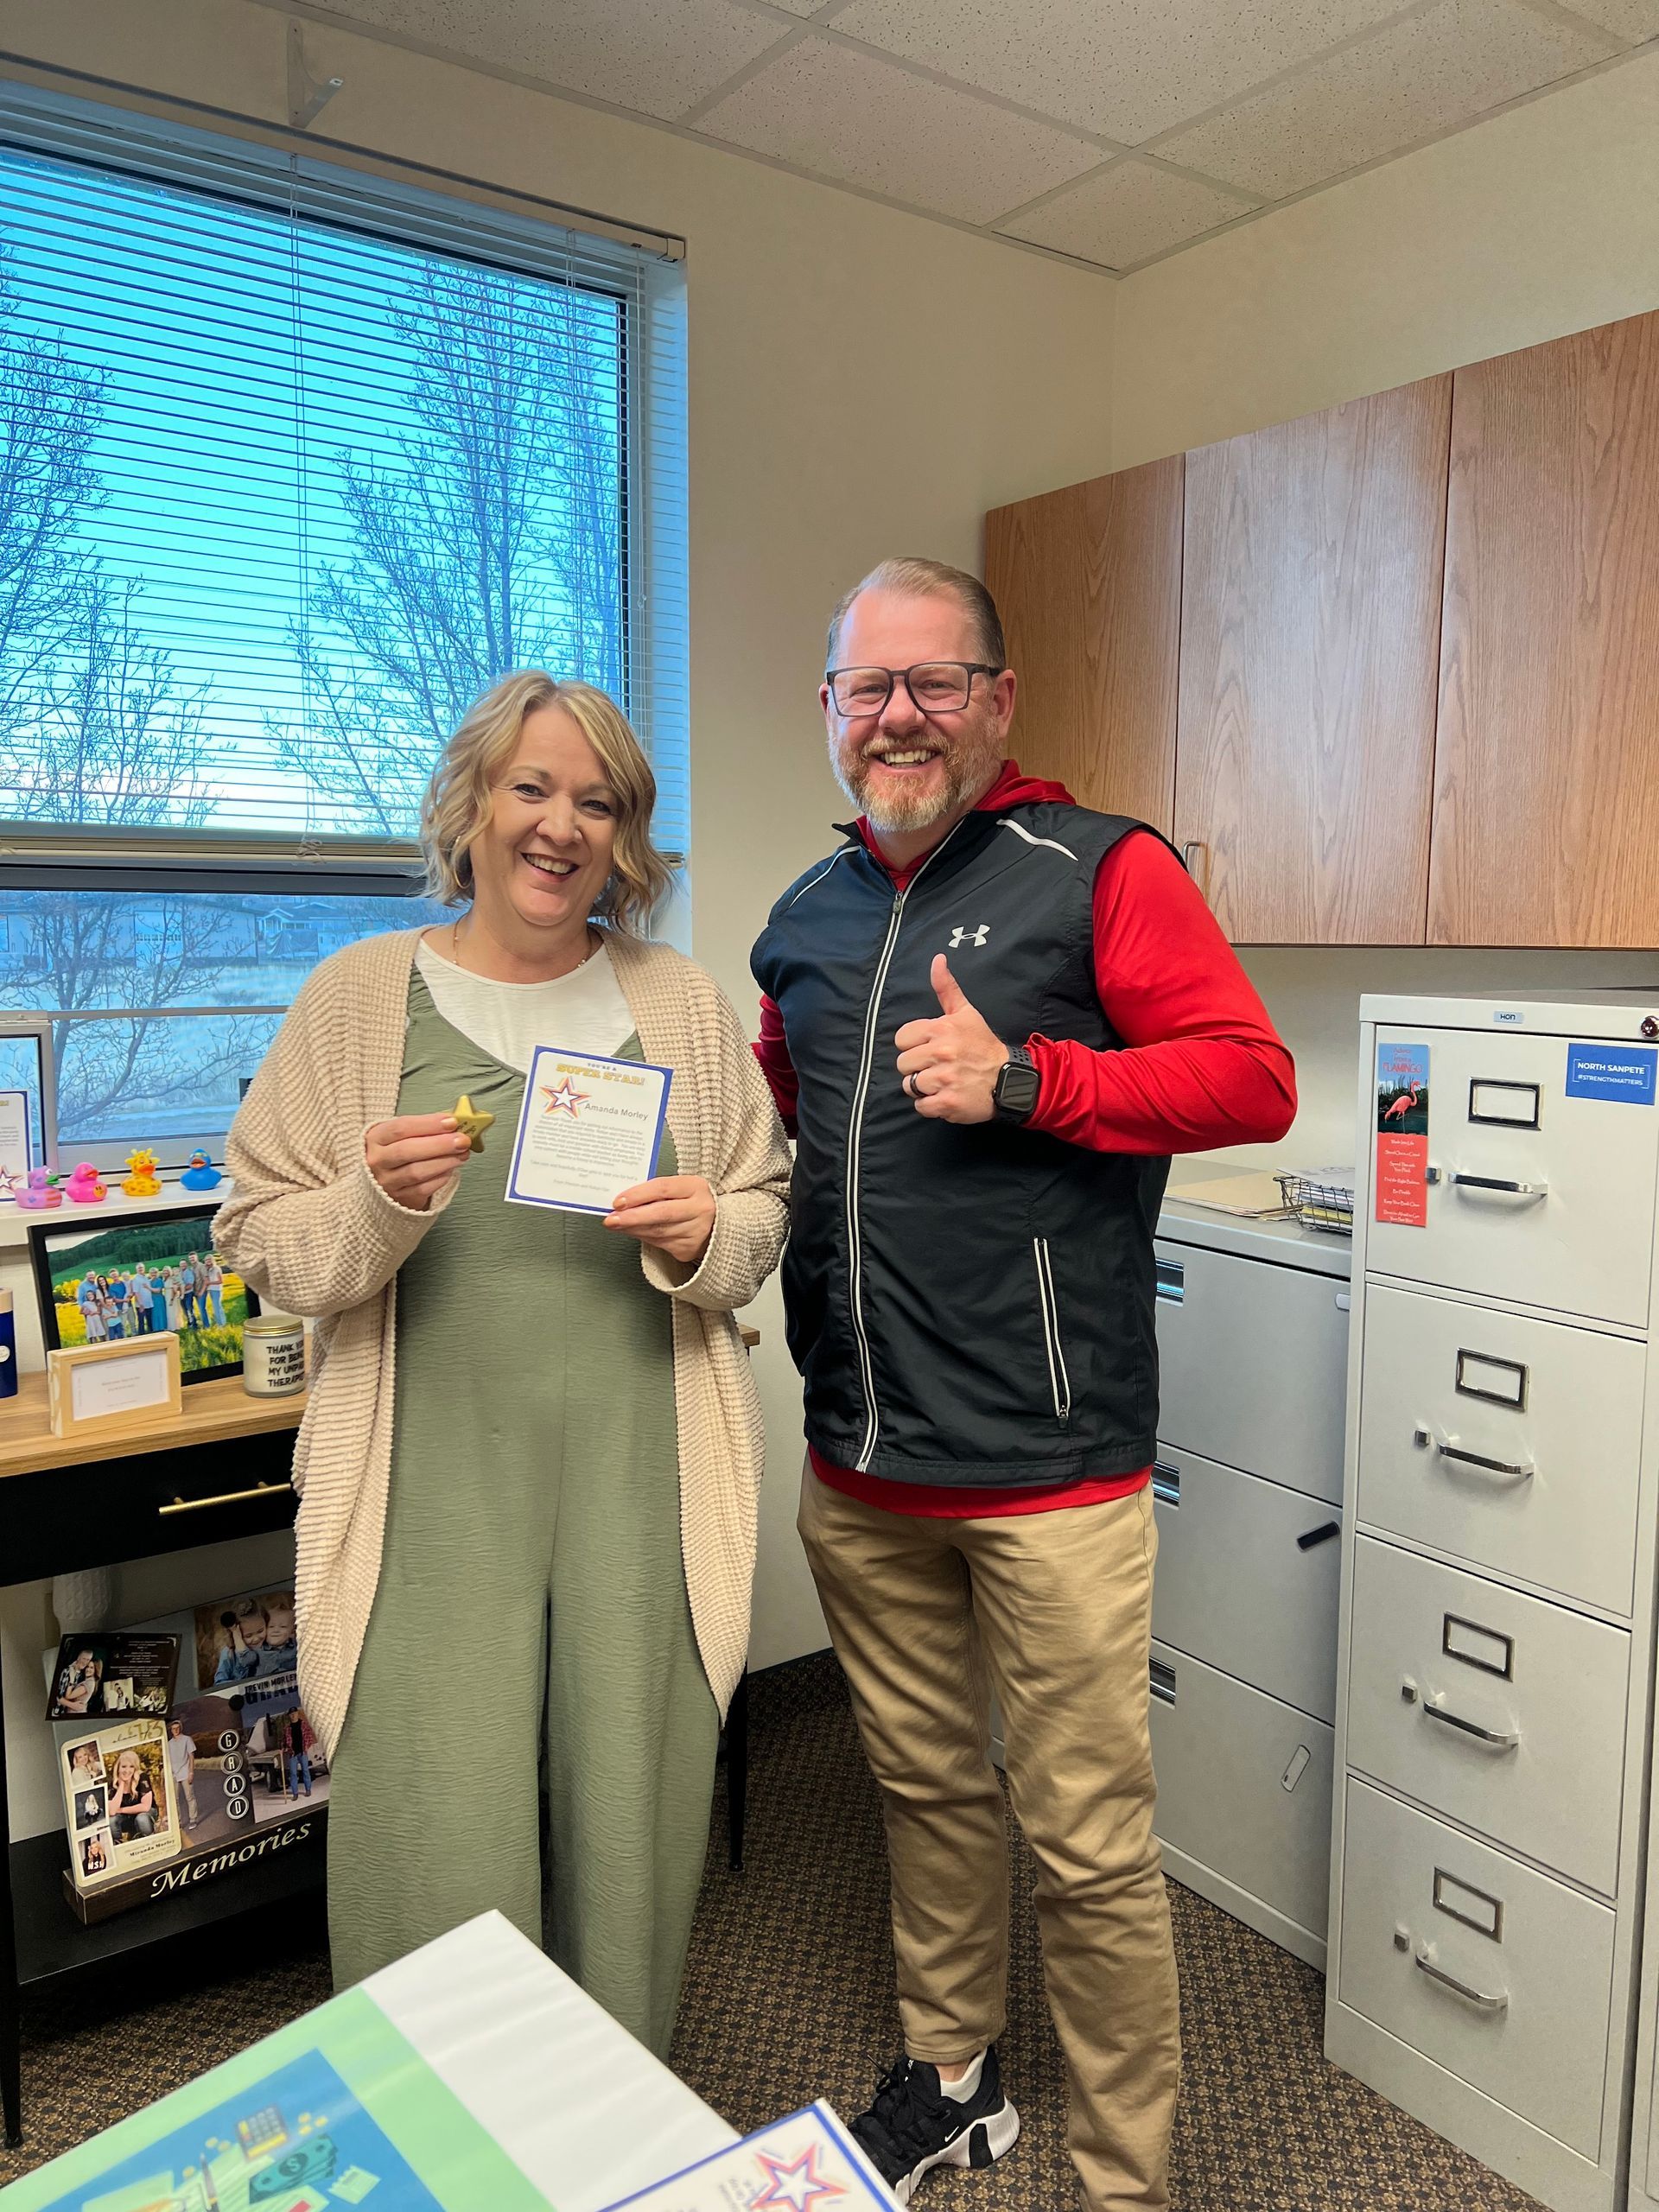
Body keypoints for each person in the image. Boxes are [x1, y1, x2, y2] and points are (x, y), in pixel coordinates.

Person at [752, 559, 1298, 2212]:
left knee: (1087, 1841)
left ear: (997, 701)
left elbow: (1253, 1080)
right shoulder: (804, 918)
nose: (899, 716)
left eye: (935, 682)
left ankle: (1126, 2175)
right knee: (923, 1790)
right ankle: (955, 2079)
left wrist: (1028, 1079)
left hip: (1051, 1470)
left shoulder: (1101, 870)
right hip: (861, 1462)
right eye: (868, 687)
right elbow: (788, 1126)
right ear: (829, 711)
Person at [215, 671, 790, 2056]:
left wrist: (709, 1233)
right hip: (430, 1486)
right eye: (531, 787)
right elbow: (256, 1237)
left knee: (628, 1822)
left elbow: (763, 1211)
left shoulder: (679, 1003)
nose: (560, 826)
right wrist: (373, 1205)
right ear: (470, 804)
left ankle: (613, 2106)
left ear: (624, 835)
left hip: (642, 1476)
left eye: (597, 802)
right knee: (436, 1826)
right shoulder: (358, 1001)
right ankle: (445, 2126)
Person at [108, 1747, 156, 1840]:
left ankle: (150, 1842)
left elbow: (145, 1807)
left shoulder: (142, 1777)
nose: (127, 1770)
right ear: (118, 1768)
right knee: (112, 1820)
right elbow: (112, 1811)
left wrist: (121, 1810)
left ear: (135, 1768)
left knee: (141, 1819)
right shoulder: (113, 1783)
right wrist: (121, 1784)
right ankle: (118, 1844)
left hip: (145, 1814)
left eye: (131, 1766)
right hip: (126, 1817)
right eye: (124, 1766)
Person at [168, 1720, 200, 1827]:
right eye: (173, 1729)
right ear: (171, 1730)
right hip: (174, 1774)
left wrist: (191, 1772)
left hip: (185, 1772)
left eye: (177, 1728)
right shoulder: (169, 1744)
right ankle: (178, 1822)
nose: (176, 1730)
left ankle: (193, 1819)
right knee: (175, 1800)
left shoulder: (187, 1739)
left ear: (180, 1728)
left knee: (190, 1797)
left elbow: (191, 1756)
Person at [283, 1708, 313, 1799]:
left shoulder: (303, 1725)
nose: (293, 1716)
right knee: (293, 1773)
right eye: (291, 1714)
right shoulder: (287, 1728)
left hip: (302, 1752)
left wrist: (307, 1746)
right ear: (289, 1716)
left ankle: (308, 1790)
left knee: (305, 1771)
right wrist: (283, 1748)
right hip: (292, 1754)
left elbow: (309, 1737)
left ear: (297, 1714)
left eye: (294, 1714)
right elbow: (284, 1740)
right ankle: (295, 1793)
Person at [76, 1273, 104, 1344]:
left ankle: (102, 1342)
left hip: (96, 1308)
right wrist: (85, 1309)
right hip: (88, 1310)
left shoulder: (96, 1284)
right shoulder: (82, 1285)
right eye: (89, 1275)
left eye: (92, 1275)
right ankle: (93, 1343)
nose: (91, 1276)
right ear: (86, 1276)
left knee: (99, 1326)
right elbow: (80, 1298)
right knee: (91, 1328)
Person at [202, 1253, 226, 1327]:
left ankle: (220, 1325)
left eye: (209, 1259)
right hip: (211, 1290)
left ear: (212, 1260)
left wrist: (210, 1283)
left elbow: (220, 1281)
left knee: (217, 1308)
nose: (208, 1261)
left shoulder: (216, 1268)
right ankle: (222, 1322)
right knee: (218, 1307)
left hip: (217, 1290)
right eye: (206, 1260)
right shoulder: (208, 1269)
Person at [163, 1264, 184, 1332]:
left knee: (173, 1312)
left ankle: (175, 1327)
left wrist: (172, 1299)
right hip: (167, 1296)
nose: (165, 1272)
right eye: (164, 1271)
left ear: (169, 1272)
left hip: (172, 1296)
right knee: (169, 1312)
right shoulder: (165, 1279)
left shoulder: (172, 1279)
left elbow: (174, 1290)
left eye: (167, 1271)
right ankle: (171, 1327)